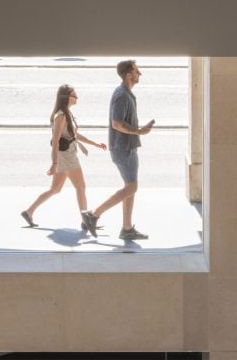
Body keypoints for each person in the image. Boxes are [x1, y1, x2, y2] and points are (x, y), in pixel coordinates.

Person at [81, 59, 154, 240]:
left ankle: (127, 229)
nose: (140, 73)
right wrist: (139, 131)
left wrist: (138, 131)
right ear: (129, 75)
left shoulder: (126, 93)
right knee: (131, 187)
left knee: (130, 187)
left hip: (128, 147)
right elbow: (117, 123)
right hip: (123, 149)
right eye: (137, 71)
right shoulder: (122, 95)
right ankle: (93, 215)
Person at [21, 83, 106, 229]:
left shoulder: (67, 113)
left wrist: (95, 144)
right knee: (81, 186)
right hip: (66, 156)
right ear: (66, 97)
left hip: (66, 154)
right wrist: (54, 164)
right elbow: (55, 141)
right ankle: (86, 221)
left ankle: (28, 212)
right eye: (74, 95)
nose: (77, 98)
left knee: (55, 189)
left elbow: (74, 135)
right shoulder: (61, 116)